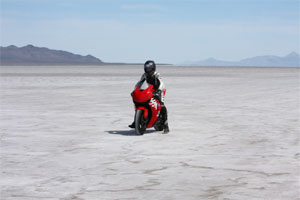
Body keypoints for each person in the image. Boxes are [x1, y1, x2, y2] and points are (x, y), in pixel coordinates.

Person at [129, 60, 169, 133]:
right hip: (149, 91)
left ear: (153, 68)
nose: (148, 70)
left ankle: (166, 125)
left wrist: (159, 90)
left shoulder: (156, 74)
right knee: (138, 102)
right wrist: (135, 90)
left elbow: (161, 83)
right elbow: (139, 83)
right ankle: (136, 121)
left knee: (162, 105)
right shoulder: (144, 75)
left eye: (149, 68)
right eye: (147, 68)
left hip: (158, 90)